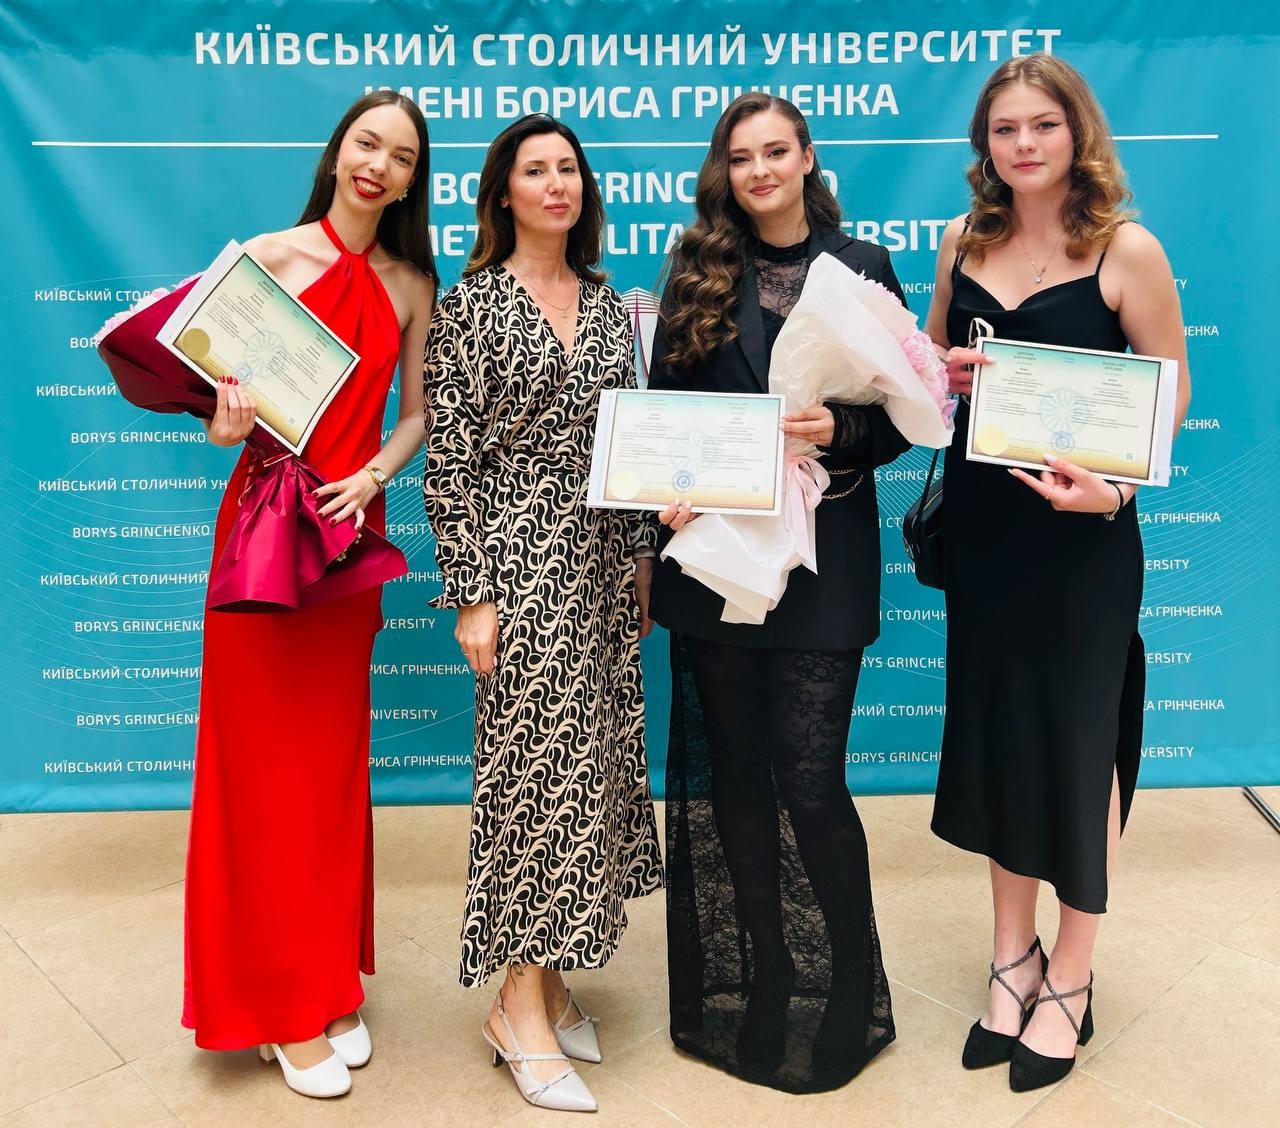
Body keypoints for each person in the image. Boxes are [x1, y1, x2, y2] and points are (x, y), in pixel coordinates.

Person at [924, 55, 1191, 1092]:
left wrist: (1114, 493)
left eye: (1042, 124)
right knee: (1001, 743)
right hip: (986, 539)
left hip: (1083, 546)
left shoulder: (1125, 248)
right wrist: (943, 373)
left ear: (1076, 132)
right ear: (983, 146)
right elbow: (933, 372)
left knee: (1078, 753)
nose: (1023, 143)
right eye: (1004, 129)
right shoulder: (963, 240)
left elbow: (1167, 393)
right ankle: (1013, 958)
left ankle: (1071, 974)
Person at [648, 91, 905, 1093]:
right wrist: (663, 495)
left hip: (822, 559)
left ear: (806, 158)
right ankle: (765, 975)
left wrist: (842, 432)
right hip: (717, 557)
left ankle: (847, 986)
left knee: (810, 781)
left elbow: (906, 416)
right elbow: (666, 410)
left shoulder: (862, 267)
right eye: (741, 156)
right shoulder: (696, 269)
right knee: (736, 782)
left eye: (775, 152)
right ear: (726, 171)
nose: (758, 170)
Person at [183, 90, 437, 1098]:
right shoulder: (262, 259)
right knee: (259, 775)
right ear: (338, 153)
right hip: (261, 533)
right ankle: (277, 1010)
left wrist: (375, 476)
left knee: (328, 775)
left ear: (412, 181)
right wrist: (223, 424)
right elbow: (214, 401)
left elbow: (415, 415)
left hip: (346, 537)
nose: (378, 165)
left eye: (401, 157)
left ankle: (326, 978)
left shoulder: (411, 283)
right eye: (367, 144)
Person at [422, 114, 663, 1115]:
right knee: (531, 779)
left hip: (601, 561)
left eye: (568, 169)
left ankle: (553, 981)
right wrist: (474, 592)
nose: (556, 183)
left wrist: (643, 557)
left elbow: (633, 438)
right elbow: (449, 461)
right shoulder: (471, 304)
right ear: (503, 193)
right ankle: (516, 1008)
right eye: (535, 170)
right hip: (518, 557)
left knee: (587, 772)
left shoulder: (606, 304)